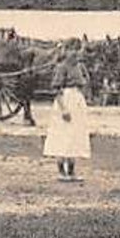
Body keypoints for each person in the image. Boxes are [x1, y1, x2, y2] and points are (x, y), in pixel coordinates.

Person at [45, 42, 93, 182]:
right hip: (65, 100)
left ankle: (71, 171)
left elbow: (85, 83)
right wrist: (64, 109)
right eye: (72, 50)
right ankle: (61, 171)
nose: (75, 53)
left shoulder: (80, 66)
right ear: (66, 51)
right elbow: (56, 90)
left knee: (75, 135)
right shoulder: (62, 67)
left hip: (77, 100)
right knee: (63, 135)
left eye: (77, 50)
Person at [0, 29, 34, 125]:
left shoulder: (1, 45)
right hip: (9, 66)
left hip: (3, 65)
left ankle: (27, 115)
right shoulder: (8, 46)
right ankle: (27, 116)